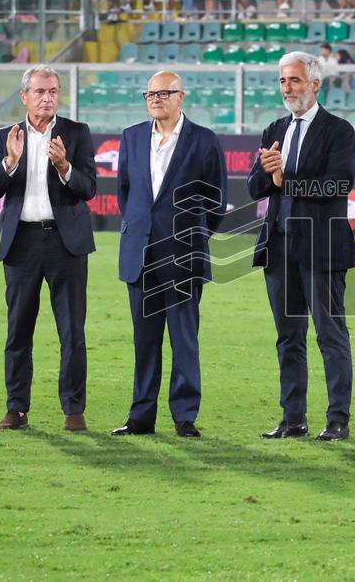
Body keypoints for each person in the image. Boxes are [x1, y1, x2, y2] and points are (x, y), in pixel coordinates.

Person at [248, 51, 355, 442]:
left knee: (330, 335)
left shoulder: (338, 130)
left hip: (323, 246)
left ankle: (337, 421)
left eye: (295, 80)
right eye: (282, 81)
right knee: (288, 337)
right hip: (279, 247)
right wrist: (267, 174)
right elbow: (254, 187)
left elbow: (338, 184)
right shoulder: (273, 128)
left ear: (315, 84)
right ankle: (293, 419)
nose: (287, 88)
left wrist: (285, 180)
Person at [0, 65, 97, 432]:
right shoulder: (6, 136)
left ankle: (73, 410)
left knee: (72, 332)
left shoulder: (77, 133)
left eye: (53, 91)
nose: (47, 98)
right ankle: (16, 408)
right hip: (22, 244)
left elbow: (89, 188)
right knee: (18, 332)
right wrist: (10, 162)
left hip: (66, 244)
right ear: (24, 96)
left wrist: (65, 166)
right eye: (40, 92)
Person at [113, 71, 228, 438]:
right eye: (150, 93)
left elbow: (216, 203)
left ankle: (184, 416)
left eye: (164, 93)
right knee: (144, 341)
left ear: (182, 96)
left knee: (183, 340)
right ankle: (140, 417)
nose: (156, 99)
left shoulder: (204, 140)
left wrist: (190, 237)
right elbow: (126, 194)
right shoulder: (131, 137)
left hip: (183, 256)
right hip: (140, 254)